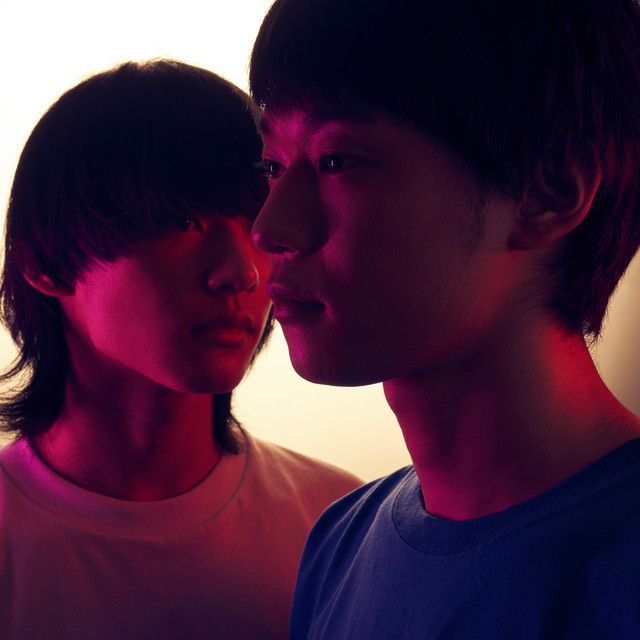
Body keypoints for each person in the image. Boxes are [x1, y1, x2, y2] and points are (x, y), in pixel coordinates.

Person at [248, 0, 640, 637]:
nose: (269, 229)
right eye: (272, 166)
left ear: (546, 192)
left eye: (336, 160)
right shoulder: (338, 544)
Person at [0, 59, 361, 639]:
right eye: (182, 222)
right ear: (47, 265)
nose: (241, 272)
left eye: (256, 222)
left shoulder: (340, 526)